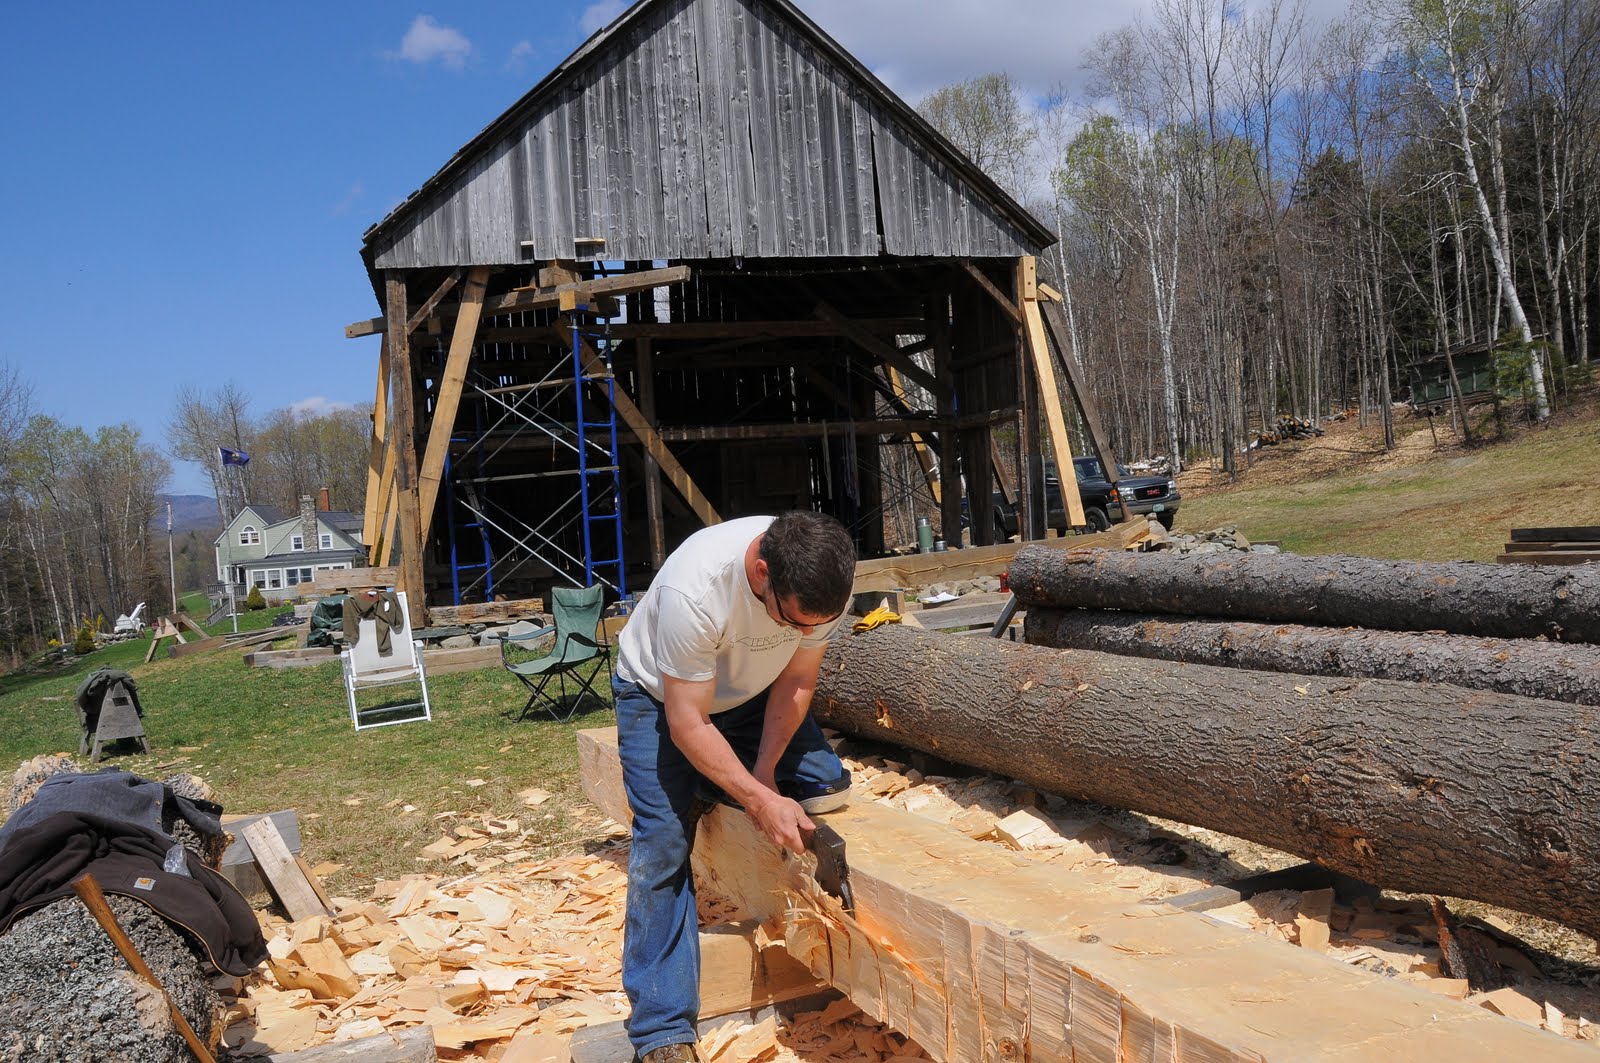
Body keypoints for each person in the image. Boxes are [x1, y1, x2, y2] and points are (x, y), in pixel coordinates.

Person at [612, 511, 857, 1062]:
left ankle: (712, 776)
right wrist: (754, 797)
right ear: (763, 571)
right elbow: (686, 722)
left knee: (823, 785)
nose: (801, 633)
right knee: (663, 842)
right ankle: (662, 1031)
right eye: (791, 621)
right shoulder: (694, 589)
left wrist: (765, 777)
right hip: (659, 699)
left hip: (746, 697)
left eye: (812, 626)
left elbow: (797, 678)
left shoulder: (825, 574)